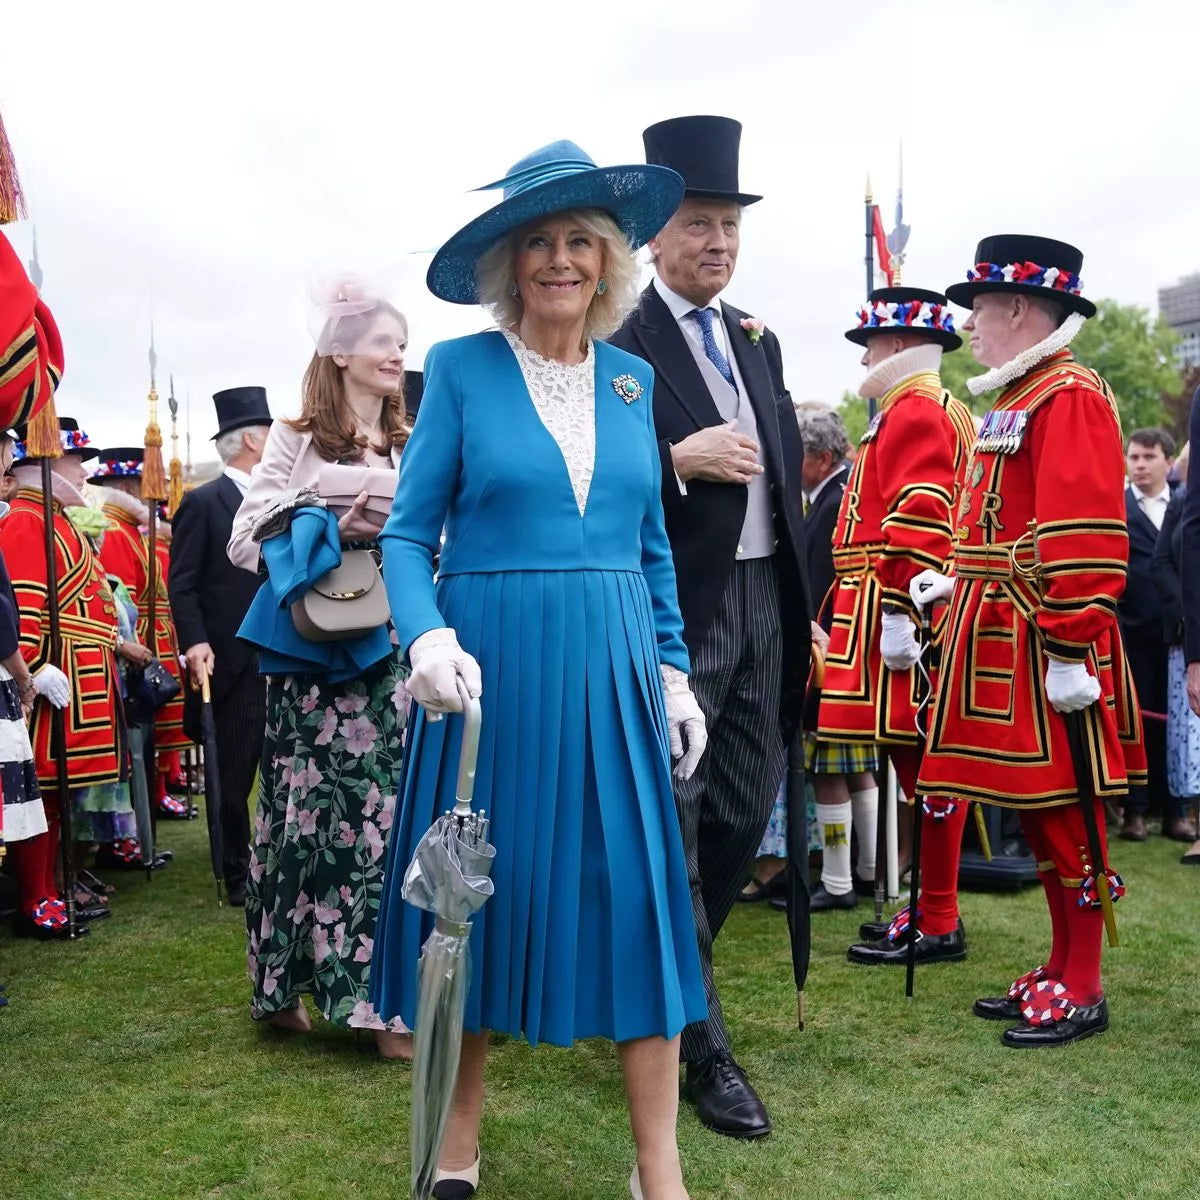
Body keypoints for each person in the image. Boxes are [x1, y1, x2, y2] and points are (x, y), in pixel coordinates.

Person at [371, 140, 706, 1200]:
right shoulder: (464, 370)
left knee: (642, 909)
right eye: (537, 245)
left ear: (607, 262)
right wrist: (424, 637)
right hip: (489, 674)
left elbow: (650, 545)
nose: (559, 260)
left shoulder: (631, 378)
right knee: (473, 911)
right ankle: (455, 1152)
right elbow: (403, 536)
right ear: (509, 266)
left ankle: (660, 1170)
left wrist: (673, 669)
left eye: (578, 242)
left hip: (612, 674)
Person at [608, 114, 812, 1141]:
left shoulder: (755, 338)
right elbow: (585, 481)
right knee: (673, 822)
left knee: (742, 806)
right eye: (698, 222)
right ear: (654, 237)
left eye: (730, 223)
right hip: (674, 610)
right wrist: (674, 460)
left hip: (767, 602)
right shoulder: (617, 341)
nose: (718, 243)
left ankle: (656, 973)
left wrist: (804, 615)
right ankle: (700, 1044)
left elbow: (789, 488)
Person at [917, 235, 1145, 1047]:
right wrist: (954, 574)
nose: (970, 327)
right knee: (1038, 809)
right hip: (1002, 629)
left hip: (1044, 637)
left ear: (1017, 308)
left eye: (978, 310)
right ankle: (1059, 964)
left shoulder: (1069, 393)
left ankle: (1083, 984)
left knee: (1065, 814)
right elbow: (998, 513)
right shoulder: (1024, 391)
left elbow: (1085, 533)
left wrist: (1071, 646)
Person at [228, 281, 413, 1060]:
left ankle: (384, 1006)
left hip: (395, 653)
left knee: (389, 824)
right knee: (306, 823)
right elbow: (244, 541)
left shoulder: (414, 434)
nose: (397, 355)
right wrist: (317, 519)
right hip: (315, 662)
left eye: (402, 343)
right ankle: (281, 990)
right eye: (382, 342)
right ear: (340, 352)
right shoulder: (294, 436)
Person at [809, 288, 976, 964]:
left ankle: (937, 916)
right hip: (893, 601)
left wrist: (901, 616)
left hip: (897, 606)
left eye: (875, 342)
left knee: (930, 766)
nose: (867, 354)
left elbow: (922, 514)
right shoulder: (929, 408)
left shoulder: (916, 410)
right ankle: (931, 910)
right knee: (920, 767)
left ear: (902, 347)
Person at [2, 417, 127, 939]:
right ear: (48, 464)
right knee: (38, 791)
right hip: (49, 677)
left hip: (78, 677)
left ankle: (51, 889)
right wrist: (31, 670)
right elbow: (22, 605)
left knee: (52, 792)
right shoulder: (27, 521)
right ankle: (35, 897)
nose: (82, 469)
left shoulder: (52, 517)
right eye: (75, 459)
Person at [741, 407, 848, 904]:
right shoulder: (826, 497)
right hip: (832, 644)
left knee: (832, 766)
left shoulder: (831, 502)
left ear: (822, 458)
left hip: (830, 647)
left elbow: (823, 581)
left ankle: (841, 877)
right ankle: (846, 872)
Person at [170, 386, 272, 906]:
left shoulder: (278, 497)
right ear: (253, 439)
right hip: (231, 659)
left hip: (282, 653)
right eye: (271, 430)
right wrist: (195, 643)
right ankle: (235, 870)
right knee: (233, 773)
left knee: (281, 772)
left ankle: (272, 861)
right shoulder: (203, 501)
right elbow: (182, 583)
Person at [91, 448, 193, 821]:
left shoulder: (128, 529)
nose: (150, 491)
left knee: (156, 730)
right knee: (143, 731)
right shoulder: (116, 531)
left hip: (156, 635)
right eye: (140, 484)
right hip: (139, 641)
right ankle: (146, 803)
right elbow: (122, 602)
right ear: (121, 485)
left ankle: (158, 793)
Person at [1118, 428, 1193, 842]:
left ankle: (1177, 809)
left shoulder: (1184, 507)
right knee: (1136, 723)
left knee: (1178, 722)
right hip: (1130, 634)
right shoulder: (1117, 507)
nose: (1141, 465)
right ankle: (1135, 810)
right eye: (1134, 457)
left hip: (1178, 634)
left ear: (1168, 461)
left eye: (1149, 457)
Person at [1152, 489, 1200, 863]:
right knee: (1190, 739)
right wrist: (1186, 612)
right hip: (1189, 637)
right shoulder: (1183, 502)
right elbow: (1162, 560)